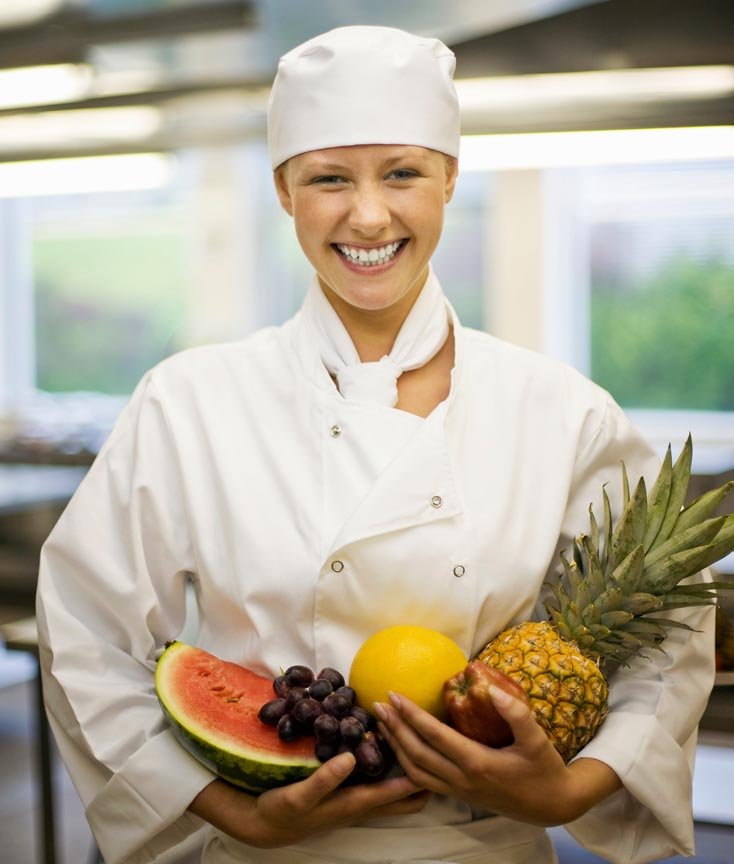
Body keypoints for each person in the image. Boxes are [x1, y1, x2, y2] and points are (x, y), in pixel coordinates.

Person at [36, 25, 714, 864]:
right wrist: (229, 810)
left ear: (450, 178)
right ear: (284, 190)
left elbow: (672, 636)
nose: (368, 214)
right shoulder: (189, 401)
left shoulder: (560, 409)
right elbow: (82, 630)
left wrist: (572, 788)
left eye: (403, 172)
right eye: (328, 179)